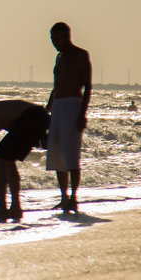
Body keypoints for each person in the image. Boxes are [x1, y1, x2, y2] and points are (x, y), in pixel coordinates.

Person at [46, 22, 92, 214]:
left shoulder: (81, 55)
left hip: (73, 105)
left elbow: (87, 87)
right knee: (57, 156)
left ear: (67, 37)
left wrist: (82, 114)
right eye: (53, 39)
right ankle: (64, 197)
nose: (55, 43)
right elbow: (56, 86)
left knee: (72, 156)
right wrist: (47, 109)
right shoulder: (59, 57)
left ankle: (73, 197)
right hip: (57, 106)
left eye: (58, 39)